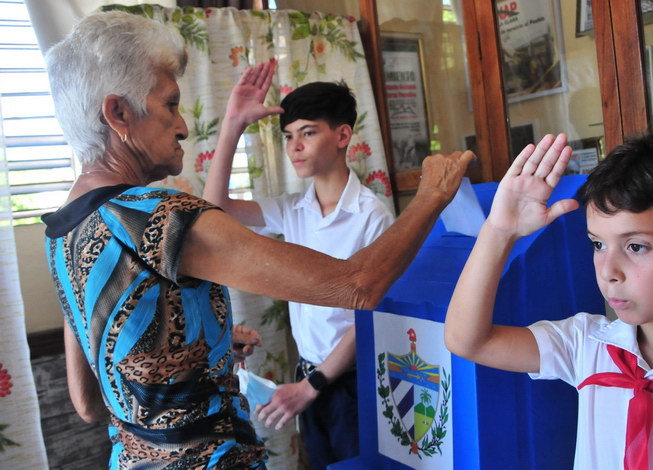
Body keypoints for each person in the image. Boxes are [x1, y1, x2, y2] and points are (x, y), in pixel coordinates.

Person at [42, 11, 473, 470]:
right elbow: (359, 284)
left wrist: (205, 349)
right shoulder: (160, 218)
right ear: (119, 113)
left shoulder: (63, 229)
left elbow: (90, 400)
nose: (184, 126)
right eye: (170, 105)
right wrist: (431, 196)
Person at [444, 131, 653, 469]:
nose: (608, 271)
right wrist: (499, 230)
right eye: (598, 245)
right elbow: (467, 340)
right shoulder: (587, 345)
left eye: (636, 246)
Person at [203, 78, 393, 468]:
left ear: (343, 135)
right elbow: (213, 208)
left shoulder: (372, 215)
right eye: (289, 136)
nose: (295, 147)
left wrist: (313, 385)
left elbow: (371, 315)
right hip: (308, 378)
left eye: (308, 133)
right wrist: (234, 125)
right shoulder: (293, 209)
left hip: (350, 385)